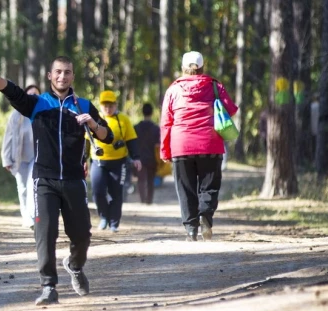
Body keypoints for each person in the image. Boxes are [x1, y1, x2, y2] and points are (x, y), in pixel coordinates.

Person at [0, 54, 114, 305]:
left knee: (82, 235)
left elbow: (107, 136)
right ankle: (49, 286)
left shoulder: (83, 105)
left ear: (72, 76)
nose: (62, 76)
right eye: (58, 72)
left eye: (67, 72)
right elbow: (11, 90)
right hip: (44, 181)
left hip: (73, 180)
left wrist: (92, 123)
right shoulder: (37, 104)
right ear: (50, 76)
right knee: (45, 233)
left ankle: (74, 266)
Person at [160, 51, 238, 242]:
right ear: (203, 67)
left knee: (185, 189)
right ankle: (205, 215)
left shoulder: (173, 90)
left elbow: (165, 123)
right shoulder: (214, 85)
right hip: (210, 144)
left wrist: (165, 150)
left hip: (181, 145)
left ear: (183, 68)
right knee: (209, 186)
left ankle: (191, 230)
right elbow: (231, 109)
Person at [86, 90, 141, 232]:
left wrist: (136, 158)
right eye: (105, 105)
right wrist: (82, 160)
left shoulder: (123, 119)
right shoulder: (94, 119)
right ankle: (104, 217)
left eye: (111, 105)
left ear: (115, 105)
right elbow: (86, 142)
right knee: (98, 191)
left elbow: (131, 139)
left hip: (119, 162)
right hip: (98, 162)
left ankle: (114, 222)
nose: (108, 108)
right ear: (101, 105)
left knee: (116, 193)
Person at [1, 85, 41, 229]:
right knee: (22, 187)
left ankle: (32, 215)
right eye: (29, 94)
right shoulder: (16, 115)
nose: (32, 97)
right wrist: (6, 159)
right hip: (19, 158)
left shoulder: (42, 113)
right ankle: (26, 216)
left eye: (35, 95)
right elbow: (8, 137)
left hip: (36, 157)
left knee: (32, 186)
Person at [134, 103, 160, 204]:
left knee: (141, 179)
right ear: (152, 113)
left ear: (142, 112)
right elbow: (158, 144)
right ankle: (149, 200)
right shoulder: (156, 128)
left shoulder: (136, 127)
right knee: (150, 179)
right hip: (152, 157)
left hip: (139, 157)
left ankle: (142, 199)